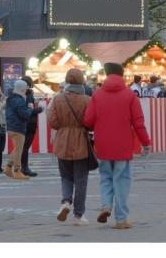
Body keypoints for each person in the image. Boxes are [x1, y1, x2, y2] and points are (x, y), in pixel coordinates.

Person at [83, 62, 151, 229]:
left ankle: (105, 205)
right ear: (122, 74)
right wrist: (146, 143)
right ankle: (121, 219)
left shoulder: (97, 95)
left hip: (103, 145)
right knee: (121, 181)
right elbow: (138, 122)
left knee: (105, 178)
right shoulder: (129, 95)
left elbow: (88, 120)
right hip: (123, 145)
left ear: (106, 75)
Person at [47, 68, 92, 225]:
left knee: (65, 176)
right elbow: (90, 122)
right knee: (81, 180)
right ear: (82, 81)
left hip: (62, 141)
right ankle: (78, 215)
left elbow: (52, 121)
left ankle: (66, 201)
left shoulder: (58, 99)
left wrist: (64, 127)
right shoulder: (87, 100)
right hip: (81, 141)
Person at [4, 79, 33, 180]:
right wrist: (30, 108)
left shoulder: (10, 98)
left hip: (11, 126)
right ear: (22, 89)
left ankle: (8, 168)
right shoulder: (20, 100)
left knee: (16, 149)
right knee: (19, 150)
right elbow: (24, 114)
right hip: (18, 127)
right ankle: (17, 171)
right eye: (25, 89)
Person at [19, 76, 44, 177]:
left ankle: (21, 167)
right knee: (25, 147)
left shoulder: (20, 95)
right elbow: (29, 111)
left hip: (24, 123)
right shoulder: (28, 96)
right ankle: (24, 168)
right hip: (30, 124)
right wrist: (39, 109)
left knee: (22, 147)